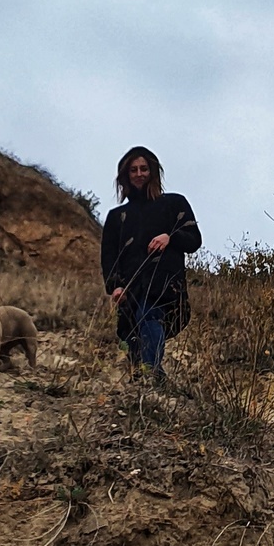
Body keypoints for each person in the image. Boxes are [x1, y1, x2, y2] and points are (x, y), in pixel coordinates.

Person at [100, 147, 201, 383]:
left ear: (153, 171)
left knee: (150, 314)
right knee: (130, 333)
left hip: (165, 282)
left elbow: (194, 239)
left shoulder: (174, 203)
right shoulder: (117, 216)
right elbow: (109, 255)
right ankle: (143, 379)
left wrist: (170, 237)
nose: (139, 174)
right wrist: (114, 286)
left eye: (143, 168)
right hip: (130, 285)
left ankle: (152, 374)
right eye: (133, 170)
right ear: (125, 176)